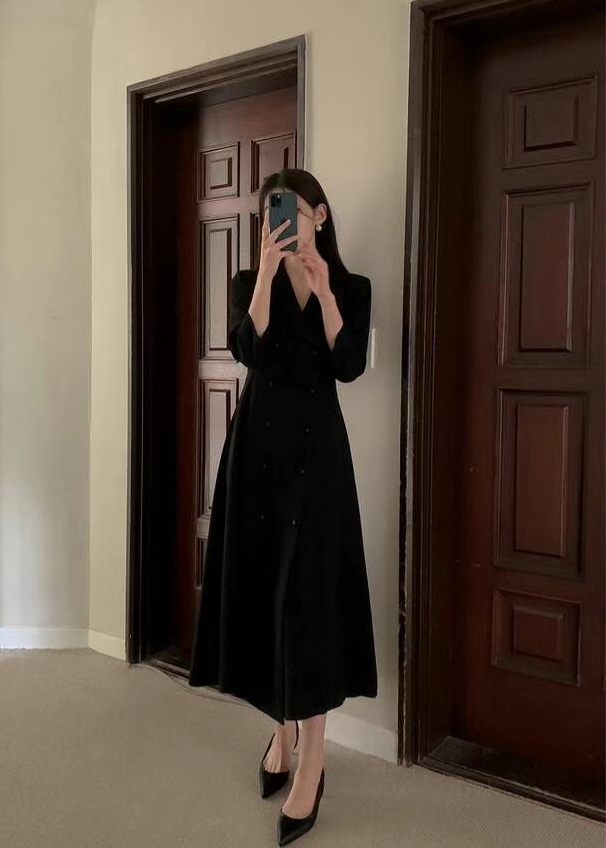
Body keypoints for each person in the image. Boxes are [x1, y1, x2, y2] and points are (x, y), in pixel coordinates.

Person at [188, 168, 378, 845]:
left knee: (312, 600)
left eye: (292, 209)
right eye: (272, 211)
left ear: (319, 215)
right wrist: (267, 275)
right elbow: (248, 350)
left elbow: (348, 364)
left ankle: (313, 758)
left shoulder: (352, 287)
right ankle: (282, 732)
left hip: (318, 459)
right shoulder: (249, 280)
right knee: (269, 592)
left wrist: (323, 290)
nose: (280, 222)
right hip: (259, 456)